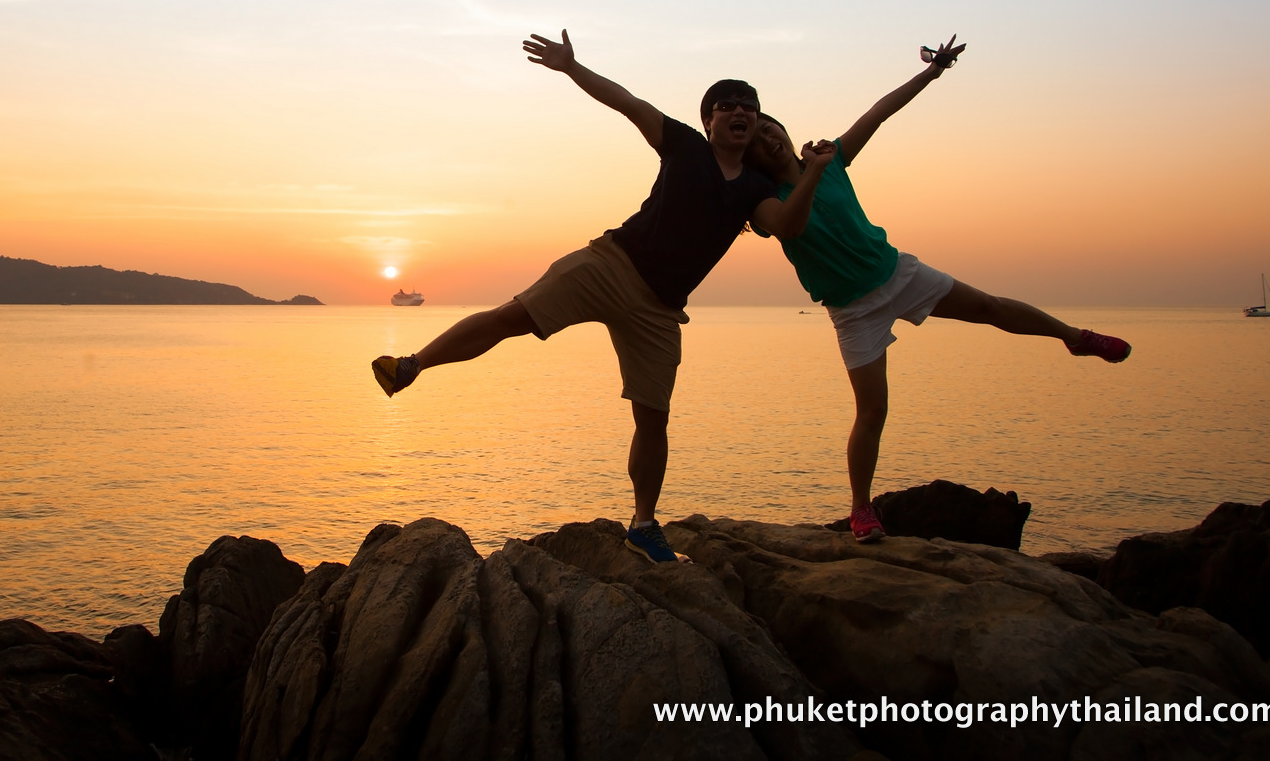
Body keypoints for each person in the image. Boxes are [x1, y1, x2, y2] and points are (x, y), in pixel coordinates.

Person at [371, 29, 834, 563]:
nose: (739, 112)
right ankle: (411, 365)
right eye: (726, 105)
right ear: (709, 120)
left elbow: (789, 227)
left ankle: (642, 523)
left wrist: (815, 173)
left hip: (660, 308)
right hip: (611, 264)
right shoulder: (684, 145)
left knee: (653, 417)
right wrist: (572, 67)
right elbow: (627, 102)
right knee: (512, 317)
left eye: (748, 108)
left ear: (754, 123)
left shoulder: (755, 190)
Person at [745, 37, 1132, 543]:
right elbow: (792, 226)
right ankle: (862, 510)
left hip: (896, 274)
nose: (768, 140)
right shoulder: (762, 201)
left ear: (782, 128)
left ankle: (1076, 337)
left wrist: (931, 74)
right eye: (756, 140)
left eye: (770, 128)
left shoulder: (832, 158)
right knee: (873, 410)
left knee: (990, 306)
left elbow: (878, 114)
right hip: (852, 310)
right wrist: (812, 171)